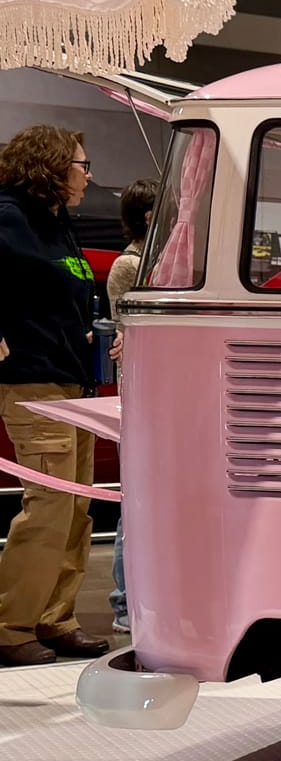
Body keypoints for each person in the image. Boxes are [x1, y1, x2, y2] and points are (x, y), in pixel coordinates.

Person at [0, 126, 110, 666]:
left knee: (75, 507)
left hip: (71, 380)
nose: (88, 175)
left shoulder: (56, 221)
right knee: (48, 506)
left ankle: (55, 617)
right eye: (81, 165)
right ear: (51, 165)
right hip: (33, 381)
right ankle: (10, 624)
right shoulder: (8, 217)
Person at [105, 178, 156, 634]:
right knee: (134, 500)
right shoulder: (129, 266)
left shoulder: (168, 264)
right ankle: (125, 603)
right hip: (142, 396)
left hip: (165, 397)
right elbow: (129, 331)